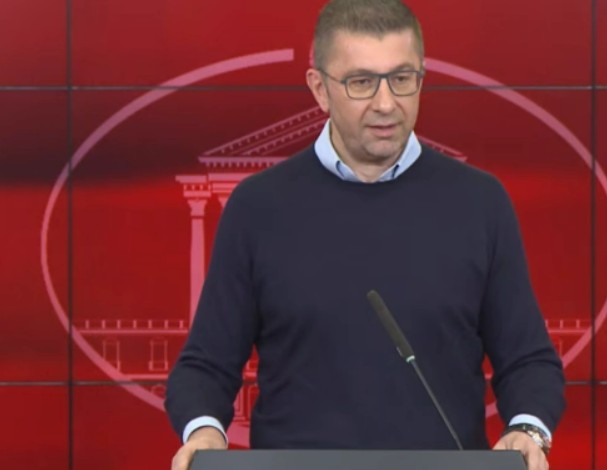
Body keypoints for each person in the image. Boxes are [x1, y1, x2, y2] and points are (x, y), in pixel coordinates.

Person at [165, 1, 565, 469]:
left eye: (402, 79)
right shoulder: (257, 207)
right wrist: (205, 431)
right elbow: (205, 367)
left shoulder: (480, 202)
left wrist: (527, 429)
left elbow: (529, 362)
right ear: (320, 89)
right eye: (361, 82)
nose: (386, 103)